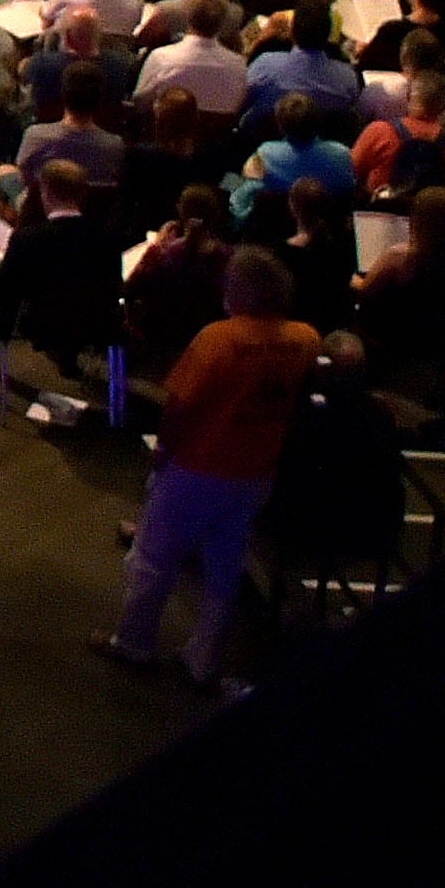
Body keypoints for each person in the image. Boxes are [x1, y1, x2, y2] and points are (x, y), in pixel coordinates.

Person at [103, 247, 342, 691]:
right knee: (225, 564)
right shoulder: (307, 337)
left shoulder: (218, 339)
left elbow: (179, 405)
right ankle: (204, 656)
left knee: (154, 558)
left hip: (199, 466)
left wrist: (164, 449)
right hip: (256, 470)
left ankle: (134, 641)